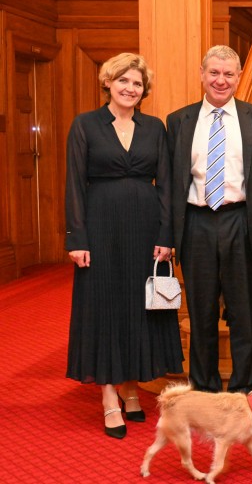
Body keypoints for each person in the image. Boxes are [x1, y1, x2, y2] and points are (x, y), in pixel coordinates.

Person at [65, 53, 183, 439]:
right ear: (108, 83)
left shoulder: (155, 127)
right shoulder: (85, 124)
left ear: (144, 90)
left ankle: (132, 389)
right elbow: (74, 185)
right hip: (100, 227)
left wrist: (166, 235)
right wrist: (77, 238)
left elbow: (165, 184)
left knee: (138, 308)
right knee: (104, 307)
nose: (131, 88)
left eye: (137, 83)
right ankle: (109, 399)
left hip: (145, 229)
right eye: (123, 81)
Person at [166, 45, 252, 395]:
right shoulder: (178, 121)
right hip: (196, 223)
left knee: (244, 313)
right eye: (214, 72)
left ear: (239, 77)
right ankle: (204, 387)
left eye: (229, 74)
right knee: (201, 312)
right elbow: (170, 182)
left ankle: (244, 387)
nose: (221, 80)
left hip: (242, 222)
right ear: (202, 74)